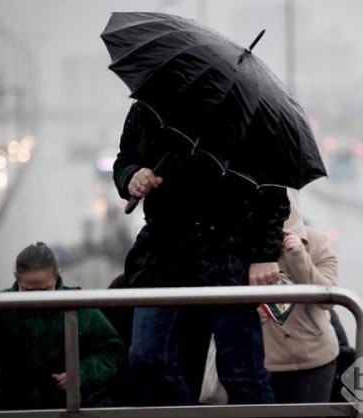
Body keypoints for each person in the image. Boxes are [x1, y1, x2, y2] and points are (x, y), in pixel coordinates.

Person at [112, 100, 289, 406]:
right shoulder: (148, 108)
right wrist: (131, 176)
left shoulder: (246, 114)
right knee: (145, 359)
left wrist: (263, 255)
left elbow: (273, 192)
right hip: (162, 255)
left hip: (227, 256)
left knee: (242, 373)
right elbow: (124, 161)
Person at [0, 242, 125, 410]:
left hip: (64, 409)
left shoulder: (79, 307)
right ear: (17, 279)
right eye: (29, 291)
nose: (37, 299)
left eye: (45, 290)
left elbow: (113, 349)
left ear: (57, 276)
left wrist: (80, 374)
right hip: (12, 410)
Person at [261, 191, 340, 406]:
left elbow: (330, 298)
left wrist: (298, 257)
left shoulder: (317, 241)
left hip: (314, 359)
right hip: (263, 364)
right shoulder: (242, 247)